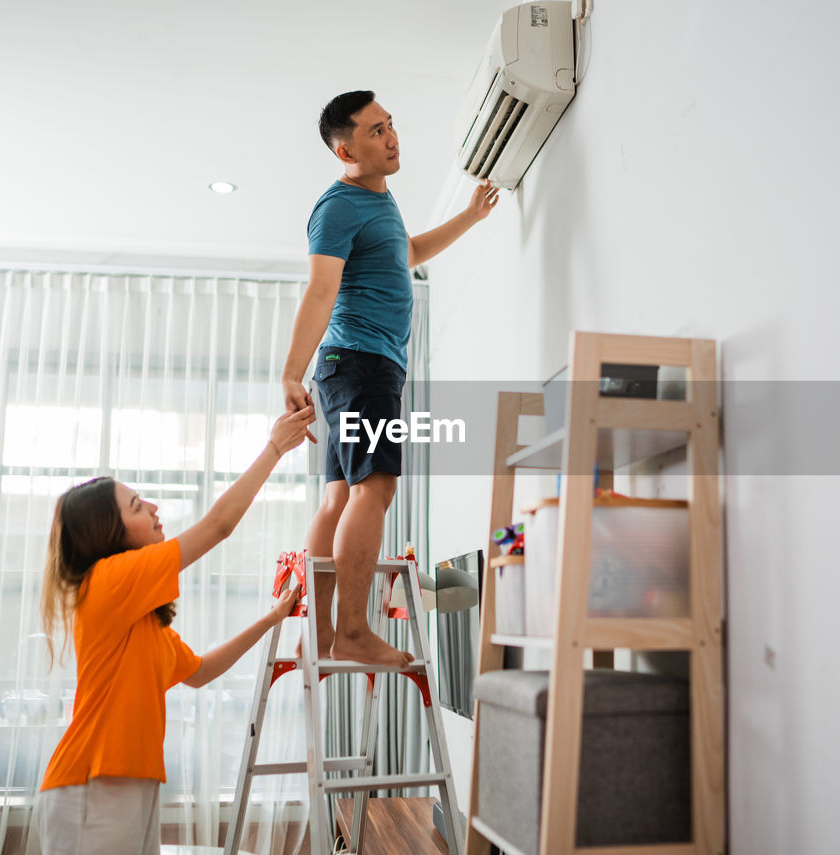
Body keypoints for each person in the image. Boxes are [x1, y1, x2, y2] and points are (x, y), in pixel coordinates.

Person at [280, 90, 498, 668]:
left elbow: (408, 252)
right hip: (360, 363)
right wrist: (288, 373)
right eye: (376, 131)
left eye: (391, 125)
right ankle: (351, 631)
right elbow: (321, 290)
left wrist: (471, 217)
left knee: (338, 496)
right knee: (374, 487)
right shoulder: (338, 207)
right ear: (346, 148)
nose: (392, 137)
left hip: (357, 366)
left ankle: (324, 634)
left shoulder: (382, 200)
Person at [35, 406, 315, 855]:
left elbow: (201, 671)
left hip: (127, 781)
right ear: (110, 532)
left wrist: (271, 619)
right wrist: (276, 447)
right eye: (136, 506)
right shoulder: (108, 579)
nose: (154, 507)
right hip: (93, 781)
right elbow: (219, 527)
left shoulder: (139, 618)